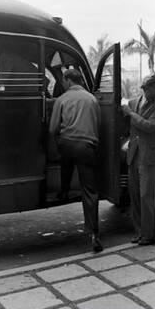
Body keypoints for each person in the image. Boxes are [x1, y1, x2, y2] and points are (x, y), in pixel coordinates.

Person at [49, 69, 103, 252]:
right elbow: (98, 126)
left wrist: (59, 139)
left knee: (66, 161)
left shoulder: (62, 100)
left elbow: (52, 129)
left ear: (67, 80)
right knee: (90, 191)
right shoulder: (92, 100)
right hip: (87, 147)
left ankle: (63, 190)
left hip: (67, 144)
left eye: (63, 81)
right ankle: (94, 234)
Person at [121, 72, 155, 245]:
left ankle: (150, 235)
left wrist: (131, 114)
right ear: (146, 89)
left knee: (147, 196)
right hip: (133, 155)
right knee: (134, 195)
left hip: (148, 156)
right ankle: (139, 232)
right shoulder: (133, 103)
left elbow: (150, 127)